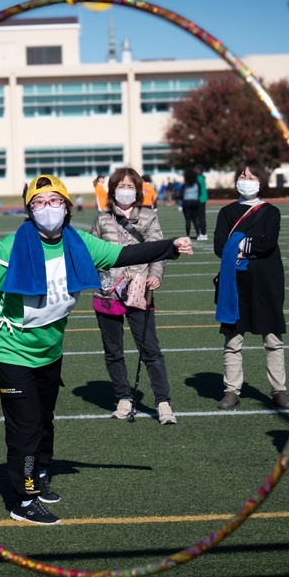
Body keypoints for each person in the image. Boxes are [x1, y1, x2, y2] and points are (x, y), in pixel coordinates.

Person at [0, 174, 193, 525]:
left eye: (55, 201)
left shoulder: (80, 244)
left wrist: (170, 247)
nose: (48, 209)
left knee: (45, 421)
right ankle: (24, 499)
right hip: (11, 350)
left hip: (49, 349)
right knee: (25, 426)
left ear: (67, 207)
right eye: (39, 203)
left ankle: (40, 475)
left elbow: (126, 253)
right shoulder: (11, 247)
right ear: (29, 211)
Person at [90, 168, 176, 424]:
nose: (125, 190)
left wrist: (156, 276)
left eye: (130, 185)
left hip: (139, 291)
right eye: (120, 185)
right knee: (113, 351)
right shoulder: (102, 219)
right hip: (107, 292)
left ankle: (163, 403)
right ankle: (123, 398)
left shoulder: (148, 217)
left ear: (138, 190)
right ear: (112, 189)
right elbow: (92, 252)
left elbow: (158, 251)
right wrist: (100, 275)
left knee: (150, 349)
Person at [213, 163, 289, 411]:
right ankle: (231, 390)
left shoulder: (271, 211)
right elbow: (219, 246)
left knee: (272, 338)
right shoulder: (226, 212)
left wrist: (239, 246)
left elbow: (267, 242)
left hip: (266, 281)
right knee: (233, 339)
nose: (245, 179)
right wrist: (248, 245)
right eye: (242, 175)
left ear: (261, 181)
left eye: (251, 176)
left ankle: (279, 390)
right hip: (234, 283)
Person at [180, 167, 206, 240]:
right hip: (195, 202)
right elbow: (199, 192)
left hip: (186, 202)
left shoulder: (185, 185)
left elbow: (181, 195)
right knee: (195, 219)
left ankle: (188, 235)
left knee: (188, 220)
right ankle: (198, 234)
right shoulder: (196, 183)